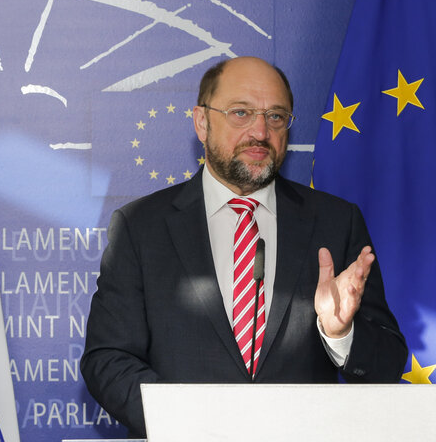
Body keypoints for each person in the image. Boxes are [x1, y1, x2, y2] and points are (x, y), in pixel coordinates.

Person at [80, 56, 407, 437]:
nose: (260, 132)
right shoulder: (141, 227)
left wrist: (340, 334)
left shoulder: (336, 222)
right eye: (241, 113)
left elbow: (386, 365)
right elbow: (107, 359)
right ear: (201, 122)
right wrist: (187, 423)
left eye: (276, 117)